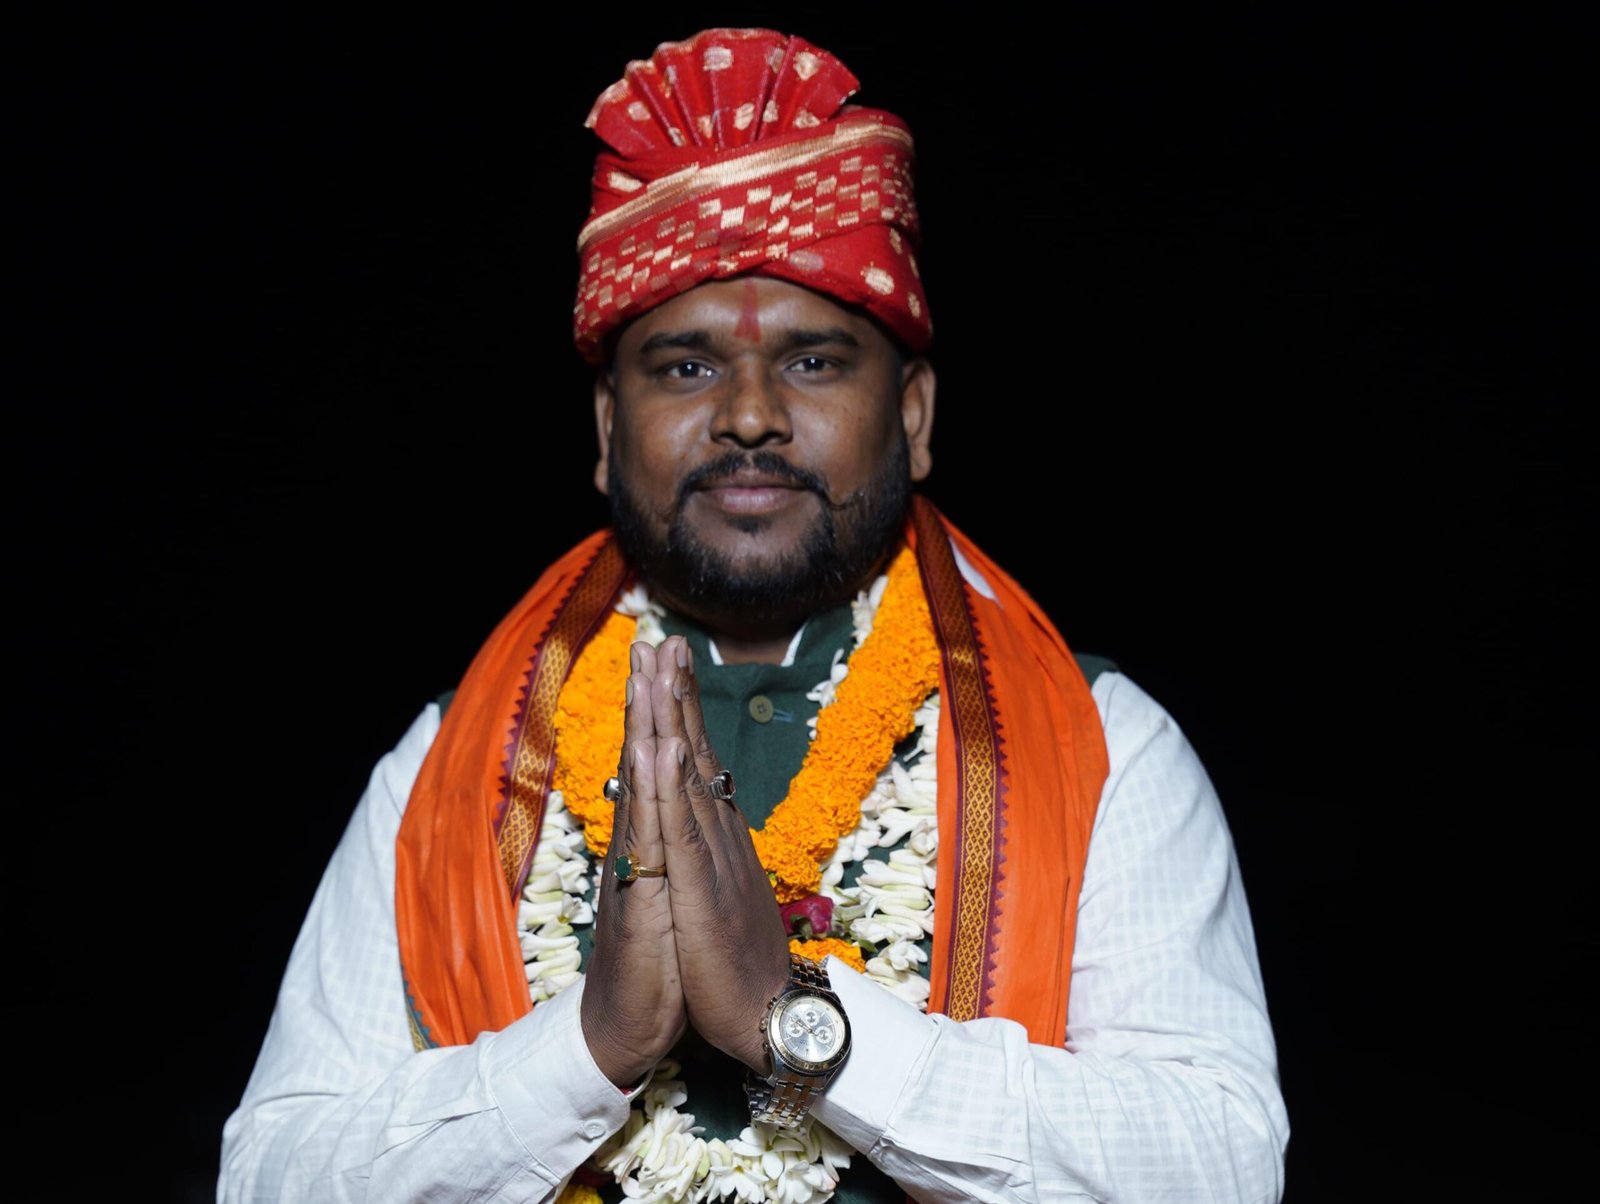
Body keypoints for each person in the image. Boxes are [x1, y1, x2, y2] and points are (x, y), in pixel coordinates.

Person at [220, 27, 1288, 1204]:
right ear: (605, 428)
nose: (746, 415)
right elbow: (268, 1178)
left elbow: (1221, 1165)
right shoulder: (453, 768)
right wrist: (587, 1050)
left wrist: (796, 1019)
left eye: (814, 362)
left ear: (915, 415)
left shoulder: (1099, 743)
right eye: (684, 367)